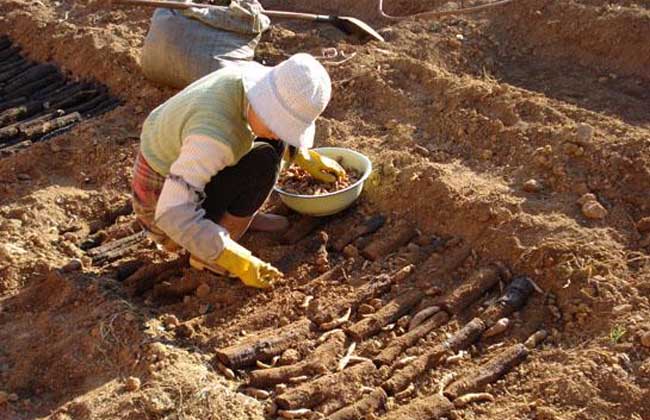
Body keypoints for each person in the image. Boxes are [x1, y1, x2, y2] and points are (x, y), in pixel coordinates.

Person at [131, 53, 345, 289]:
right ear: (262, 99)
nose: (280, 131)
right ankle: (208, 255)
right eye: (278, 123)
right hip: (160, 205)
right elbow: (173, 213)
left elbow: (268, 129)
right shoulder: (212, 139)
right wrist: (236, 259)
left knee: (274, 144)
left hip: (180, 165)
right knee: (262, 165)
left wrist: (303, 157)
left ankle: (233, 215)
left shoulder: (246, 83)